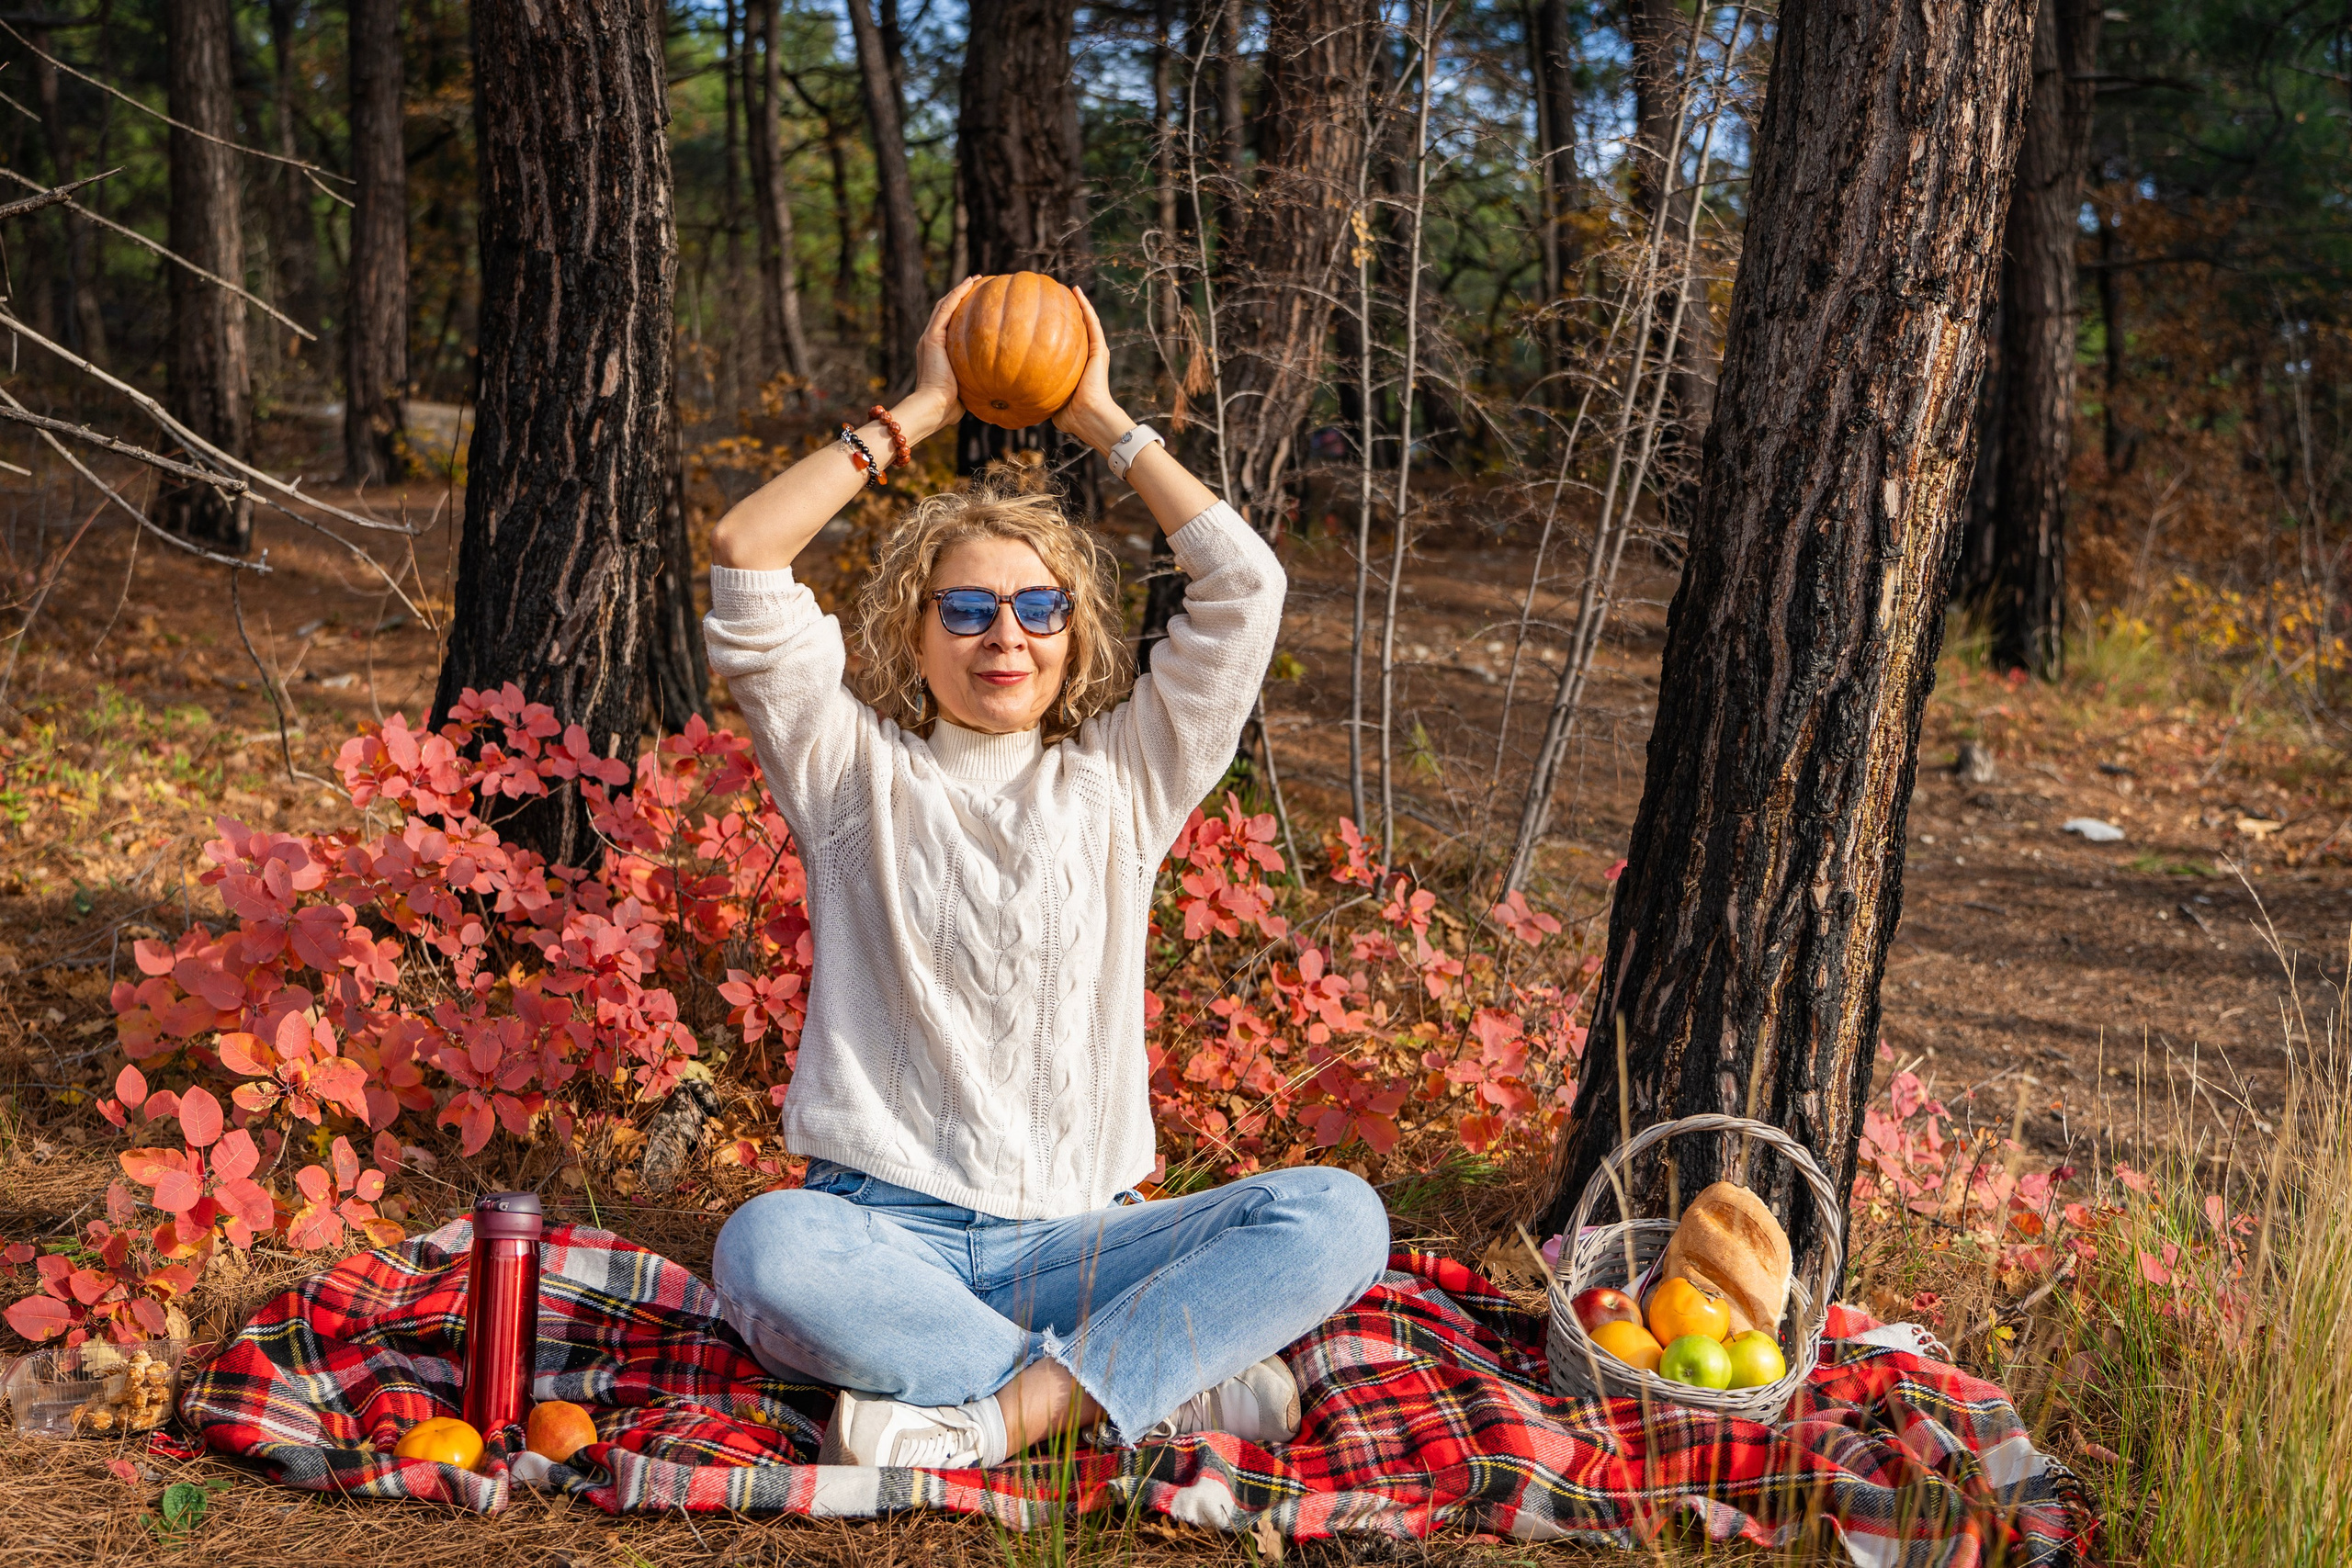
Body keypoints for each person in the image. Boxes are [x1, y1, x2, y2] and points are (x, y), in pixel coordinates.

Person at [703, 277, 1391, 1471]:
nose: (1003, 635)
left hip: (1087, 1239)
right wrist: (921, 408)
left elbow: (1246, 590)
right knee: (769, 1250)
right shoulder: (849, 778)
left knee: (1339, 1217)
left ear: (1074, 634)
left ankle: (993, 1415)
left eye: (1037, 608)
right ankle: (1146, 1382)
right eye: (966, 607)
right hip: (887, 1235)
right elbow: (747, 549)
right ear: (913, 632)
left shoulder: (1126, 782)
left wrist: (1105, 420)